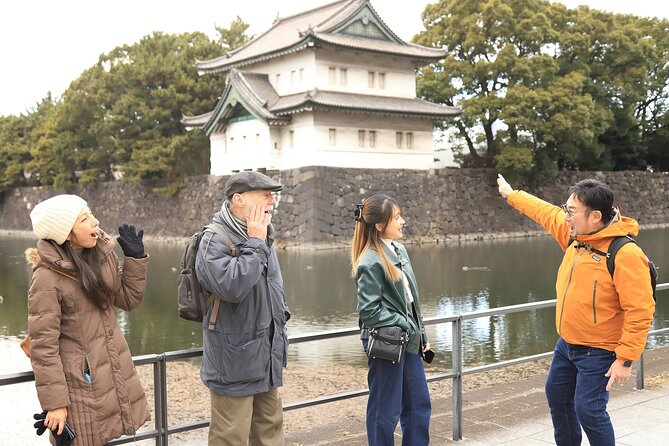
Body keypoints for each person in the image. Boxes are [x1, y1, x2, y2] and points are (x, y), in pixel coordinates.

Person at [496, 175, 655, 446]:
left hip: (600, 350)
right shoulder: (576, 235)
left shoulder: (624, 253)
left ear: (595, 216)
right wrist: (512, 195)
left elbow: (640, 310)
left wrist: (625, 359)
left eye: (571, 211)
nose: (565, 216)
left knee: (589, 410)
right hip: (567, 344)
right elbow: (544, 211)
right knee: (557, 397)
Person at [26, 194, 150, 445]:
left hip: (110, 372)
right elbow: (43, 348)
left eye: (91, 214)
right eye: (85, 219)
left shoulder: (100, 256)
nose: (96, 222)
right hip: (79, 387)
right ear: (66, 233)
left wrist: (135, 260)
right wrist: (56, 405)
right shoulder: (46, 278)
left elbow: (127, 299)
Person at [195, 171, 290, 446]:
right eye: (265, 195)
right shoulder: (214, 240)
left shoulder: (261, 236)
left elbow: (273, 293)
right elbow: (232, 288)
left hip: (265, 357)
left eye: (273, 196)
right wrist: (257, 243)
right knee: (230, 438)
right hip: (233, 363)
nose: (272, 201)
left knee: (270, 431)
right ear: (238, 199)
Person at [350, 193, 432, 446]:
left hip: (409, 341)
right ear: (379, 225)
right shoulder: (370, 261)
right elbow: (369, 312)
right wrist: (407, 325)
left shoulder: (399, 249)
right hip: (387, 342)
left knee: (419, 406)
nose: (403, 221)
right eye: (397, 218)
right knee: (385, 412)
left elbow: (411, 300)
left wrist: (422, 336)